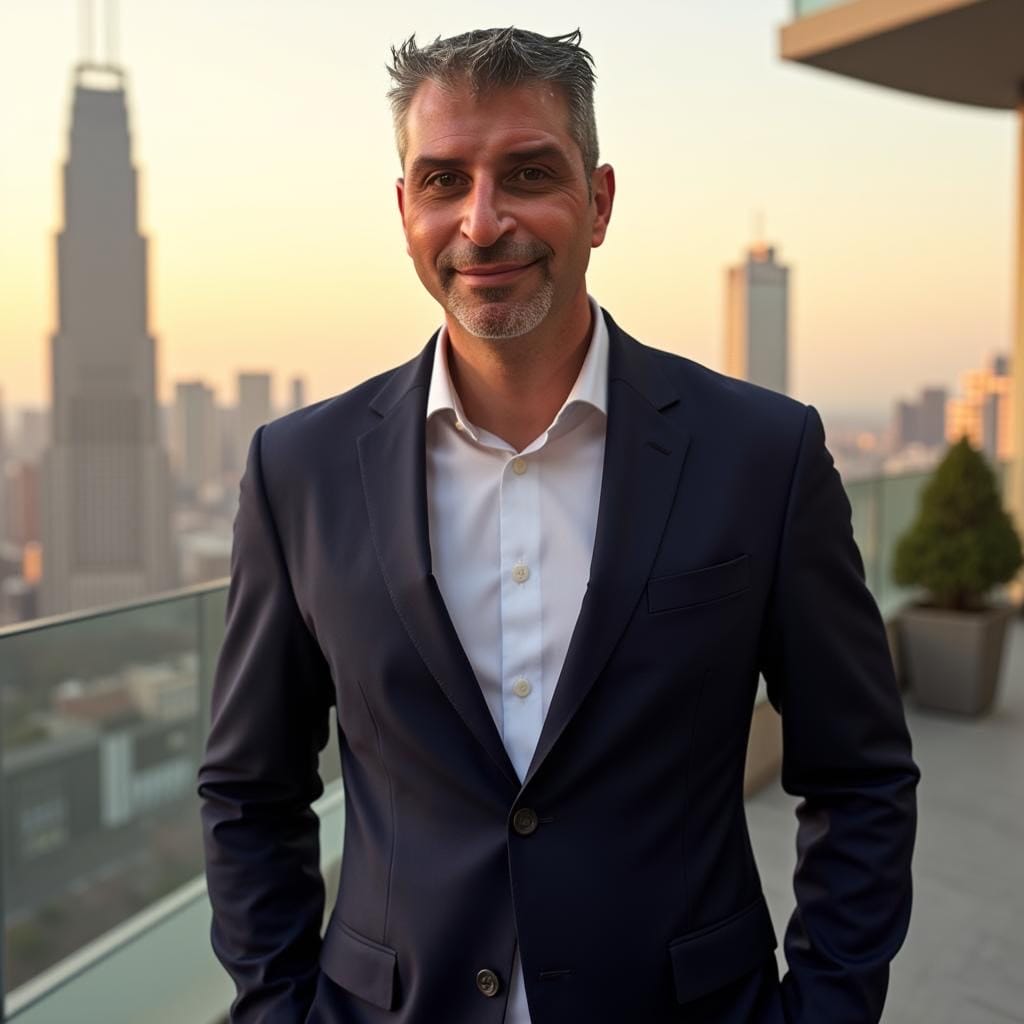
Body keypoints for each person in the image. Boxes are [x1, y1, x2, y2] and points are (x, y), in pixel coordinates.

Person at [198, 27, 919, 1024]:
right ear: (405, 208)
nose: (481, 222)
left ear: (600, 201)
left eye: (527, 173)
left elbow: (860, 775)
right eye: (443, 181)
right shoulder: (299, 471)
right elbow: (249, 792)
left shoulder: (762, 455)